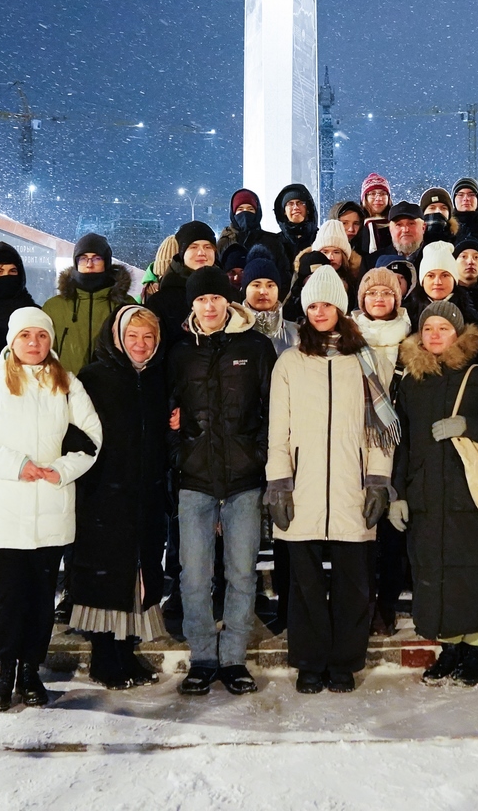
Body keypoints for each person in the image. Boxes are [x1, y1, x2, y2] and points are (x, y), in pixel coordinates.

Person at [0, 307, 101, 711]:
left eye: (41, 336)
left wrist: (59, 470)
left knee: (39, 598)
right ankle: (3, 672)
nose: (34, 343)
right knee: (4, 596)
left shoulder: (67, 384)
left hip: (50, 509)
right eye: (25, 336)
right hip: (1, 510)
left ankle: (31, 670)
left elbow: (91, 438)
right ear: (12, 340)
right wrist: (18, 465)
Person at [263, 266, 398, 693]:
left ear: (341, 307)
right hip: (300, 487)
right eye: (313, 305)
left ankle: (344, 661)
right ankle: (309, 660)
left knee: (353, 584)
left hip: (350, 485)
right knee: (304, 585)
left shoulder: (365, 359)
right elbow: (277, 430)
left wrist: (378, 479)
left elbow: (379, 429)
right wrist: (278, 482)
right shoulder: (289, 361)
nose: (320, 312)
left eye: (328, 304)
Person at [169, 265, 277, 695]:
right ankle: (202, 657)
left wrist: (261, 456)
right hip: (194, 477)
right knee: (194, 575)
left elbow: (273, 409)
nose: (209, 306)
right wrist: (179, 450)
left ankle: (233, 658)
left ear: (227, 301)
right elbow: (167, 411)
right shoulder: (180, 351)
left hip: (243, 478)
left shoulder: (255, 346)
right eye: (201, 299)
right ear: (193, 304)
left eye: (215, 298)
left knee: (241, 573)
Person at [390, 301, 478, 687]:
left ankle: (477, 649)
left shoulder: (477, 374)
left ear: (458, 334)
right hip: (425, 493)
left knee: (473, 569)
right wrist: (397, 492)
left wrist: (469, 424)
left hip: (469, 493)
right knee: (432, 571)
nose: (434, 335)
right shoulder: (409, 381)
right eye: (428, 329)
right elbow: (401, 443)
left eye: (443, 329)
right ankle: (449, 647)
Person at [68, 306, 172, 690]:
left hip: (144, 495)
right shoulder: (93, 378)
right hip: (103, 495)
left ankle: (126, 653)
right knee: (105, 577)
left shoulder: (158, 380)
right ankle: (104, 659)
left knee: (138, 577)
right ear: (117, 337)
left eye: (148, 337)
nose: (140, 345)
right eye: (133, 336)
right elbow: (76, 435)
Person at [352, 264, 413, 634]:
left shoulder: (412, 337)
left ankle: (386, 603)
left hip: (399, 440)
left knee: (392, 530)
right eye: (372, 293)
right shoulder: (348, 337)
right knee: (362, 529)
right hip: (356, 442)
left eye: (387, 293)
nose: (379, 298)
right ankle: (361, 602)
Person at [44, 233, 135, 377]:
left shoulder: (125, 306)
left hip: (112, 389)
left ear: (106, 262)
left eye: (96, 258)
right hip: (66, 388)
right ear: (75, 262)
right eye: (83, 258)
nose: (89, 264)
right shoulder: (54, 307)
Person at [146, 221, 220, 351]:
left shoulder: (229, 293)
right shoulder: (161, 301)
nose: (201, 252)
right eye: (193, 247)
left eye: (208, 247)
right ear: (182, 252)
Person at [404, 240, 478, 331]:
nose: (437, 282)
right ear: (422, 280)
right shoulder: (407, 316)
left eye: (445, 275)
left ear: (454, 279)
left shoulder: (471, 317)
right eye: (431, 276)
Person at [242, 244, 298, 354]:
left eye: (270, 285)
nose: (263, 291)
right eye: (256, 285)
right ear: (245, 289)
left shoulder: (297, 334)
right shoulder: (231, 332)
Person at [228, 188, 291, 266]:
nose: (245, 212)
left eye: (250, 209)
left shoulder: (271, 241)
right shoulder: (225, 242)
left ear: (257, 212)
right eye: (240, 209)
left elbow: (283, 271)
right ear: (233, 214)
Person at [357, 173, 395, 257]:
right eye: (372, 194)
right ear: (364, 198)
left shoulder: (396, 224)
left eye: (382, 194)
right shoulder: (357, 225)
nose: (378, 198)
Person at [275, 182, 319, 257]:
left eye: (300, 203)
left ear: (308, 209)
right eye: (290, 204)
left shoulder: (320, 238)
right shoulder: (275, 243)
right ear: (284, 211)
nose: (295, 207)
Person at [449, 177, 478, 247]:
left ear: (477, 199)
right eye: (460, 195)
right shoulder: (447, 228)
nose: (466, 199)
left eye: (471, 194)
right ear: (454, 199)